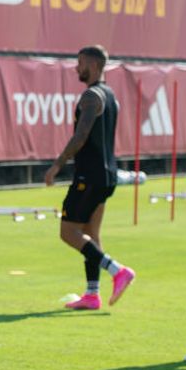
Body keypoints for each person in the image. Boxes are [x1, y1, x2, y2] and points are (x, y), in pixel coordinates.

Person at [44, 45, 135, 310]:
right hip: (107, 174)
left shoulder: (91, 96)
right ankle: (92, 294)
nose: (76, 67)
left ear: (94, 66)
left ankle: (117, 270)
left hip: (89, 175)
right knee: (91, 234)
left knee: (68, 232)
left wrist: (57, 165)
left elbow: (80, 136)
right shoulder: (110, 96)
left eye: (80, 62)